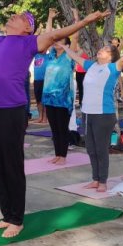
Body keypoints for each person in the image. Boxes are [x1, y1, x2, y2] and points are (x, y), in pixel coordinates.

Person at [0, 8, 109, 238]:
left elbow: (58, 33)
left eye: (20, 17)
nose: (13, 16)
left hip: (12, 112)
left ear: (27, 28)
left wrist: (87, 20)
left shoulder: (29, 42)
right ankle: (6, 215)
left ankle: (17, 219)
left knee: (12, 165)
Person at [63, 38, 123, 192]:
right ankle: (95, 179)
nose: (100, 50)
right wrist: (64, 47)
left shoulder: (112, 67)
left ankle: (103, 181)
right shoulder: (91, 66)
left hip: (104, 114)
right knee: (90, 148)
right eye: (101, 47)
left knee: (101, 149)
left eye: (105, 49)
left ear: (111, 56)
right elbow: (75, 57)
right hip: (87, 113)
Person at [42, 28, 80, 164]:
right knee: (54, 128)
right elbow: (48, 35)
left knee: (62, 128)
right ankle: (57, 154)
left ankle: (63, 156)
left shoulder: (69, 56)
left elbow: (75, 38)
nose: (57, 42)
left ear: (67, 45)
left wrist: (76, 20)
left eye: (61, 40)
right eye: (56, 41)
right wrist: (51, 18)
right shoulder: (51, 55)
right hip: (49, 97)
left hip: (63, 99)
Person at [31, 9, 56, 124]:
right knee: (38, 100)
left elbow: (48, 35)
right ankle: (40, 116)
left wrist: (50, 18)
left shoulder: (49, 55)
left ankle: (45, 117)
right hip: (37, 80)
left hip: (46, 81)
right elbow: (33, 39)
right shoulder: (36, 54)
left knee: (44, 100)